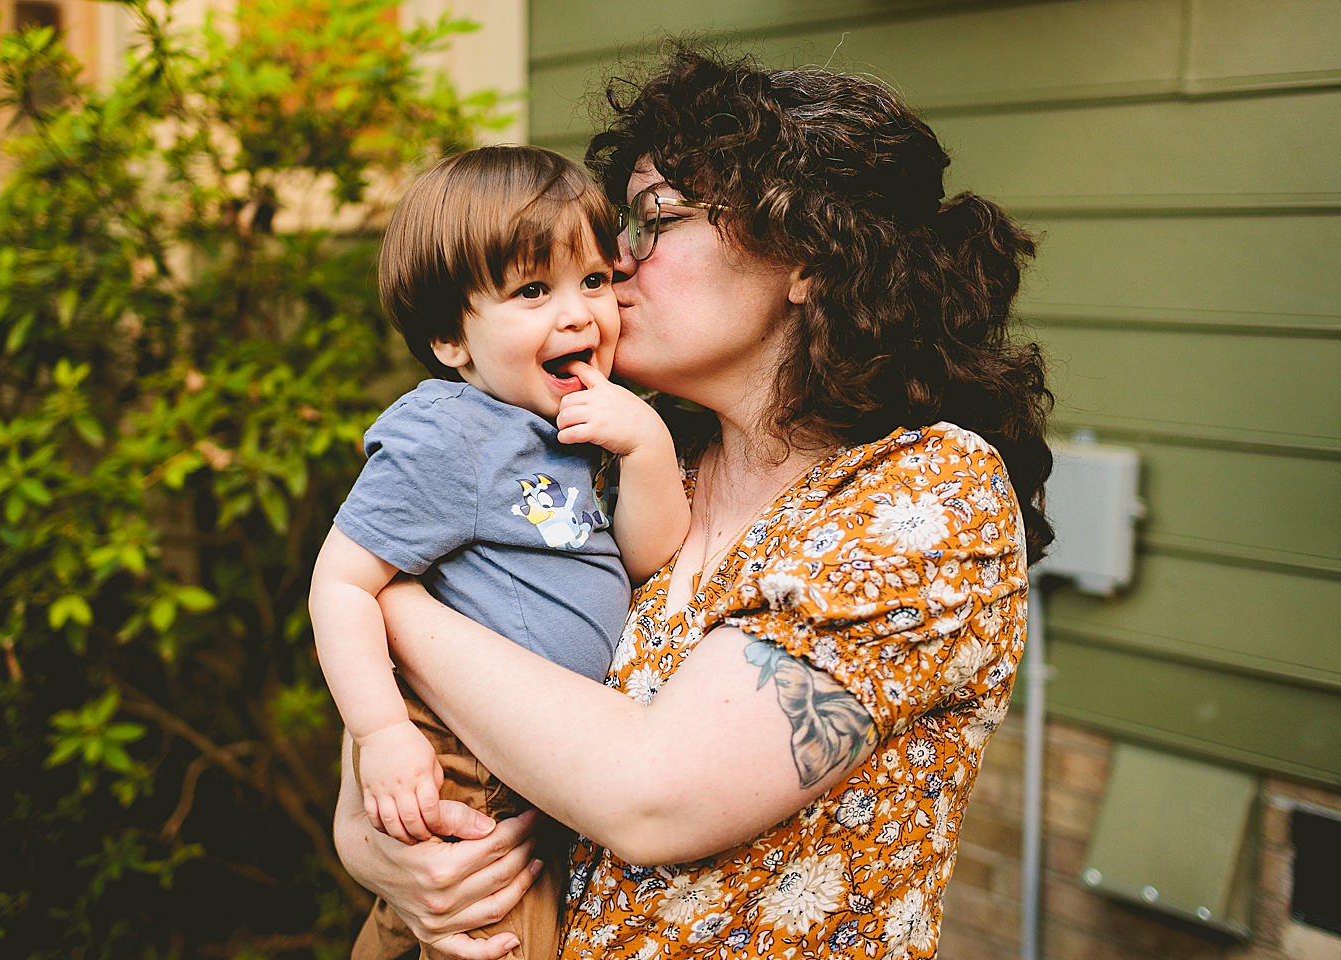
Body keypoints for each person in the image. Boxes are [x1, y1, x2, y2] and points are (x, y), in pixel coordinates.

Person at [334, 47, 1054, 960]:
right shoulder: (627, 475)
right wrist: (383, 859)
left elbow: (652, 795)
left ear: (807, 256)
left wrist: (386, 597)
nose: (610, 265)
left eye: (654, 222)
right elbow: (401, 744)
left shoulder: (924, 494)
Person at [310, 145, 690, 960]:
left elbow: (646, 559)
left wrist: (648, 452)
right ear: (453, 336)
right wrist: (379, 733)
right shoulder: (447, 431)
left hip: (536, 770)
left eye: (593, 280)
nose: (580, 314)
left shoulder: (572, 424)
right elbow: (341, 583)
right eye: (531, 291)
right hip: (467, 769)